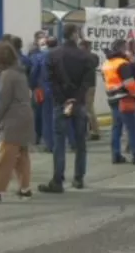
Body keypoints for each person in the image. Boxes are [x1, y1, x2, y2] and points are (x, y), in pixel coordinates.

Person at [39, 24, 96, 193]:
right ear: (75, 35)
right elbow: (88, 82)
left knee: (59, 142)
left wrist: (63, 99)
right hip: (78, 102)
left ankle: (58, 179)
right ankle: (79, 178)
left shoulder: (53, 55)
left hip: (61, 102)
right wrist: (76, 99)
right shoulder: (86, 56)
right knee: (80, 141)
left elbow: (50, 80)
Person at [0, 41, 34, 202]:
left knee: (5, 156)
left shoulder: (6, 75)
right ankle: (25, 188)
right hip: (25, 116)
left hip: (12, 119)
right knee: (22, 155)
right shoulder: (20, 72)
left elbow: (3, 101)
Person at [103, 39, 135, 165]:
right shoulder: (123, 64)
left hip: (112, 97)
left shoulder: (107, 63)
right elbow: (129, 83)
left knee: (116, 128)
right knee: (132, 128)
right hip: (124, 98)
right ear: (122, 49)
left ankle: (116, 155)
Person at [78, 40, 101, 141]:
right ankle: (93, 130)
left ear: (84, 47)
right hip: (91, 85)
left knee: (88, 109)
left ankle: (95, 131)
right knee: (89, 108)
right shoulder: (94, 57)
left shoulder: (83, 57)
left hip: (85, 85)